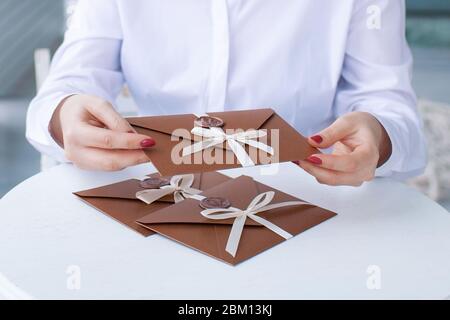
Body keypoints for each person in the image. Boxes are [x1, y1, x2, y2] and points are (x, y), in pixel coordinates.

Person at [26, 0, 427, 186]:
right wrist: (64, 116)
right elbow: (69, 84)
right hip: (157, 192)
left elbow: (387, 102)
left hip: (310, 193)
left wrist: (380, 135)